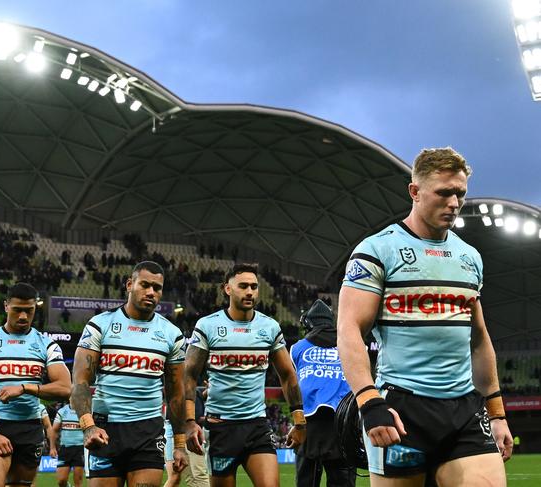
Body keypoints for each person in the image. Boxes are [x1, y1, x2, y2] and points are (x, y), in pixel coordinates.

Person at [337, 147, 513, 487]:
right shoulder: (377, 250)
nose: (454, 203)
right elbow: (349, 331)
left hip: (464, 409)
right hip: (402, 409)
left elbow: (478, 340)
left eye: (460, 193)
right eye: (444, 193)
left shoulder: (469, 257)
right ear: (415, 192)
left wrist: (497, 413)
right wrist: (369, 400)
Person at [184, 263, 306, 487]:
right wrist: (190, 421)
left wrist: (299, 421)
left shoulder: (269, 327)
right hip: (221, 427)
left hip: (257, 425)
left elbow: (288, 375)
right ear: (227, 289)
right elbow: (189, 375)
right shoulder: (208, 325)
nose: (249, 291)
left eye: (254, 286)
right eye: (243, 286)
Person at [71, 260, 188, 486]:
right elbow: (80, 381)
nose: (151, 292)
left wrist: (180, 445)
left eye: (157, 288)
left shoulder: (172, 334)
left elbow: (176, 393)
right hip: (105, 429)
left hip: (148, 430)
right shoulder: (100, 325)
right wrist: (88, 426)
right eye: (145, 285)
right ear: (129, 285)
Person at [0, 282, 72, 487]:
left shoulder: (46, 344)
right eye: (17, 310)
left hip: (30, 428)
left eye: (29, 311)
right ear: (6, 306)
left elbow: (66, 388)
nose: (23, 316)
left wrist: (25, 388)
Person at [291, 299, 355, 487]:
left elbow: (293, 384)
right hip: (342, 425)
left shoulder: (297, 348)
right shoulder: (349, 345)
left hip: (308, 424)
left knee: (306, 482)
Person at [50, 402, 85, 487]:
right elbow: (54, 430)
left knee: (78, 482)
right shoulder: (62, 411)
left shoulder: (85, 411)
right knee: (61, 481)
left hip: (80, 449)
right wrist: (52, 448)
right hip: (65, 449)